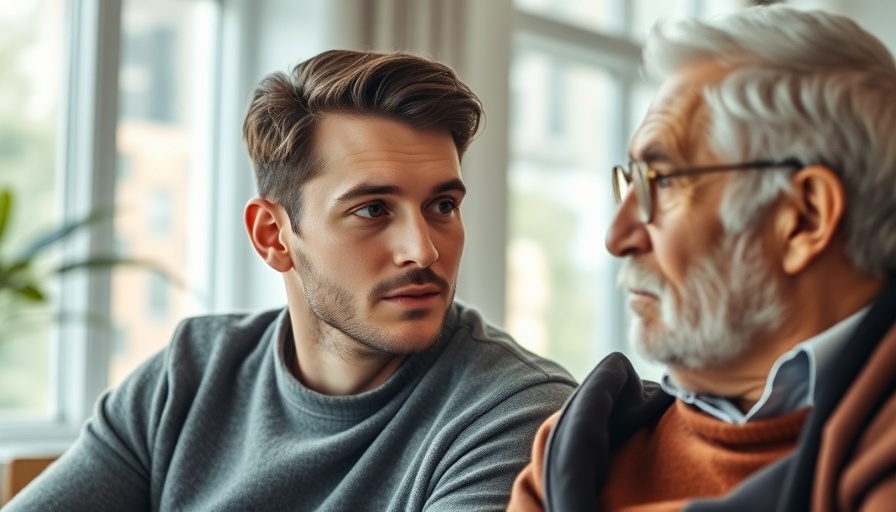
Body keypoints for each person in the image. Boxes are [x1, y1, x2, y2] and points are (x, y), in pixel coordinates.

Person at [7, 49, 576, 511]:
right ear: (273, 236)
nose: (423, 249)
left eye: (443, 205)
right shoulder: (187, 377)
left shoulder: (519, 416)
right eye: (373, 210)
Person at [508, 5, 896, 511]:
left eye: (661, 183)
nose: (617, 235)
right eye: (631, 183)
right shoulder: (575, 447)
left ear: (804, 217)